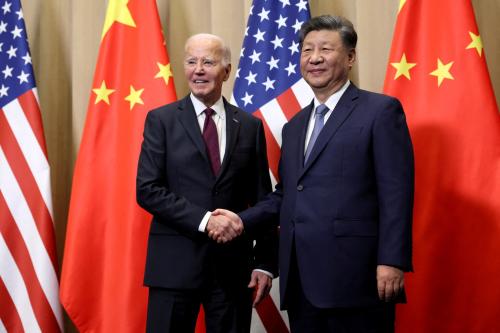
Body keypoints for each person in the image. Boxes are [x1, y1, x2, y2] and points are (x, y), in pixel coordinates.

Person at [212, 15, 414, 332]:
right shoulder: (294, 127)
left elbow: (396, 192)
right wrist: (241, 220)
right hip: (302, 281)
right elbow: (288, 194)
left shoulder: (380, 111)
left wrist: (392, 260)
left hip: (357, 278)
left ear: (350, 58)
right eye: (307, 50)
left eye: (325, 49)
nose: (314, 58)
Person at [136, 33, 277, 333]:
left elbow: (264, 199)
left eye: (208, 62)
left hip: (231, 271)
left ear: (227, 70)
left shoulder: (250, 126)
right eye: (191, 61)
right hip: (174, 268)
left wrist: (264, 262)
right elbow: (147, 190)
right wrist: (205, 221)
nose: (198, 69)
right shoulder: (161, 120)